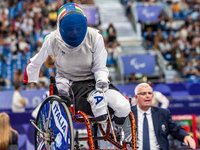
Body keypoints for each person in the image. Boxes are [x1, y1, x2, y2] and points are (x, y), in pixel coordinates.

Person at [23, 3, 130, 142]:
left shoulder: (94, 36)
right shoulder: (53, 39)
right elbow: (38, 59)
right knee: (100, 110)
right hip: (69, 81)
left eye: (78, 28)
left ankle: (118, 129)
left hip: (94, 80)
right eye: (70, 29)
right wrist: (30, 75)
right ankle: (99, 116)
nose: (74, 32)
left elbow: (99, 67)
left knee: (123, 106)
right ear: (60, 26)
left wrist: (101, 81)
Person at [131, 82, 196, 150]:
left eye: (150, 93)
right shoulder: (128, 114)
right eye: (143, 94)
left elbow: (176, 129)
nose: (147, 96)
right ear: (136, 97)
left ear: (152, 96)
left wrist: (186, 136)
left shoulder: (163, 114)